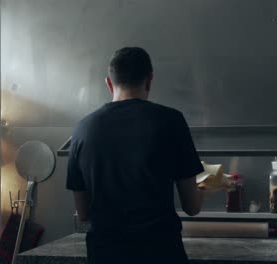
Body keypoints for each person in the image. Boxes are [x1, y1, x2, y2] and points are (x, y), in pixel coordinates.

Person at [66, 47, 204, 263]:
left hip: (104, 255)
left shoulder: (82, 129)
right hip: (160, 254)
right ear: (149, 80)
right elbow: (192, 207)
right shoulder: (171, 121)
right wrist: (206, 187)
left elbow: (83, 214)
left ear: (109, 83)